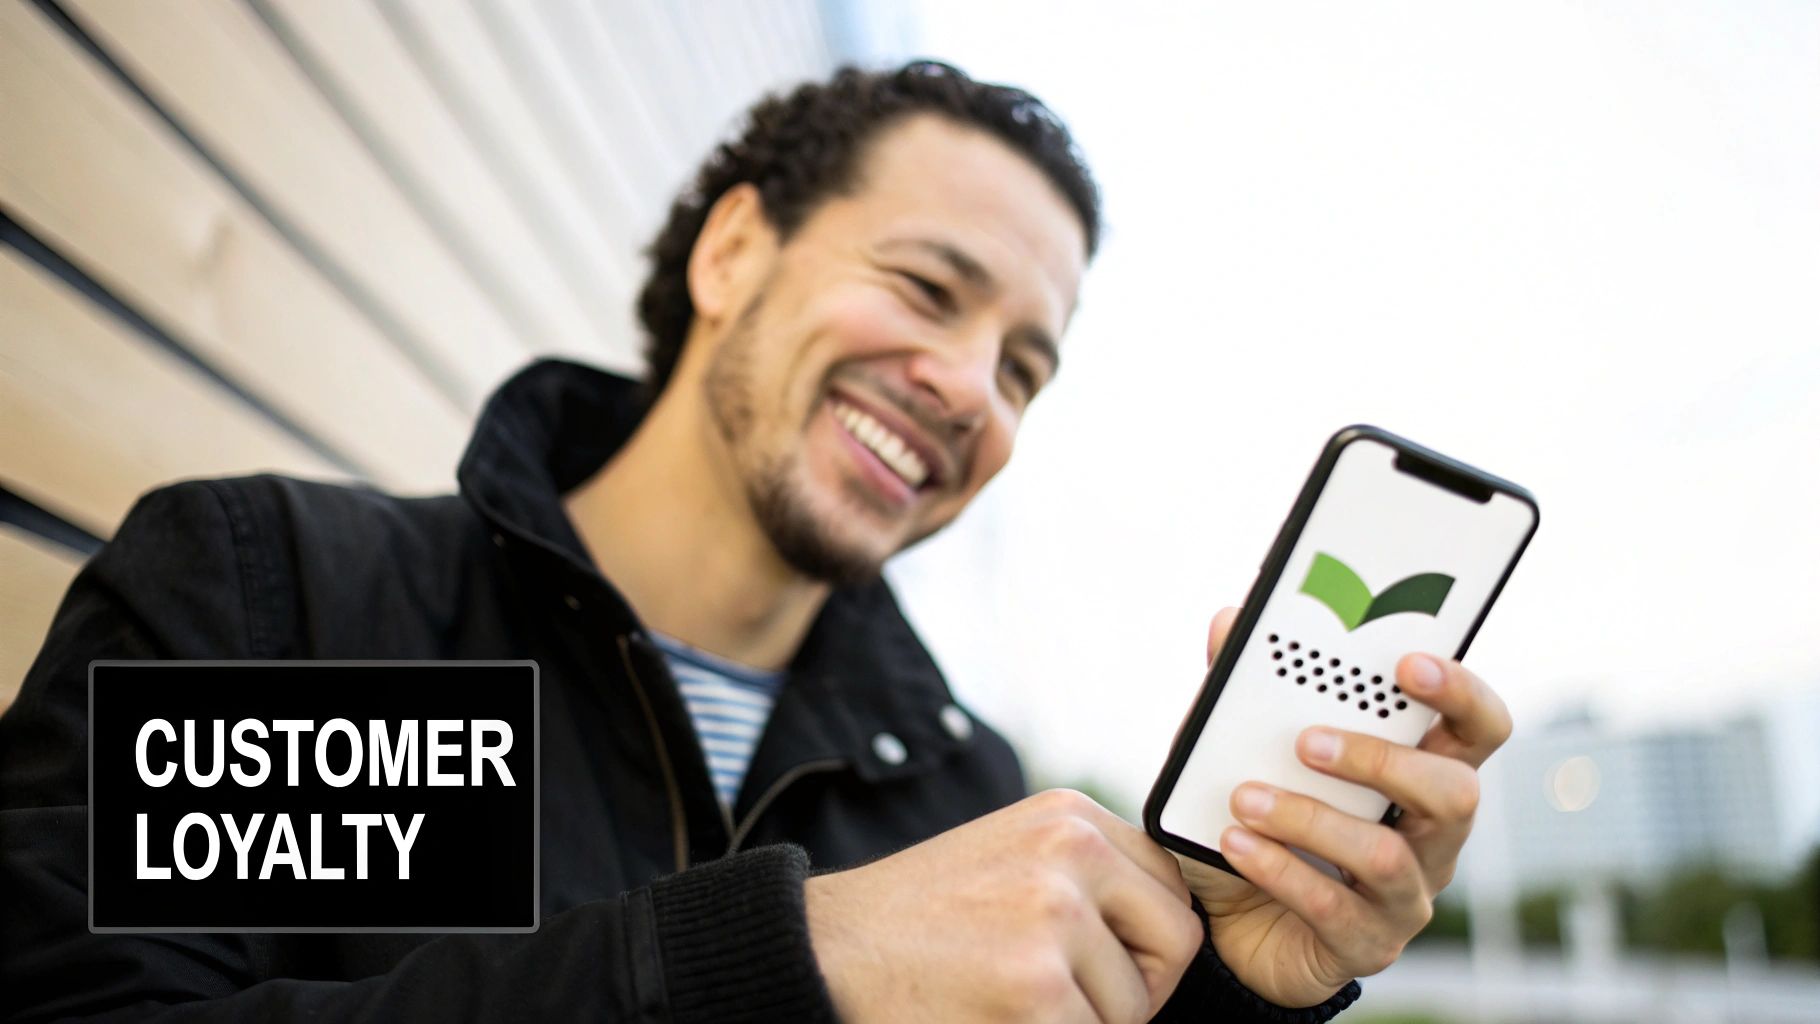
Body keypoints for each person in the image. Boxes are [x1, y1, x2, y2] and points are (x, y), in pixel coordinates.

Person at [0, 62, 1510, 1022]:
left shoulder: (970, 798)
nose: (969, 389)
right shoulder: (296, 607)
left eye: (1023, 367)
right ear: (732, 252)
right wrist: (776, 962)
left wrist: (1249, 990)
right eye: (927, 288)